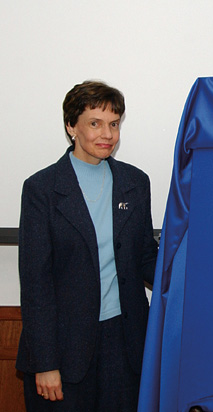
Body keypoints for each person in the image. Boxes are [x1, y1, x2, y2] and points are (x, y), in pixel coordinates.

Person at [17, 80, 158, 412]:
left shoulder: (135, 182)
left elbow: (145, 257)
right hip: (64, 349)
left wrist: (193, 266)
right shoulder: (42, 189)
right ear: (71, 127)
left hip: (125, 344)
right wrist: (45, 362)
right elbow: (36, 284)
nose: (106, 134)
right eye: (95, 123)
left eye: (113, 124)